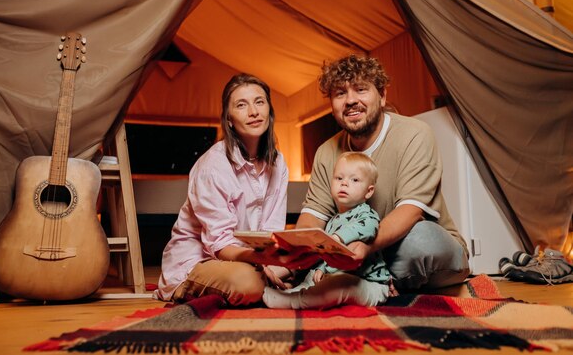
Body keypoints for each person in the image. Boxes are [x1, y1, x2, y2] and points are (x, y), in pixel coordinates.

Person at [295, 54, 470, 291]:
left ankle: (361, 283)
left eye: (360, 89)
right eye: (340, 93)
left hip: (416, 248)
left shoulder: (415, 134)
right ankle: (369, 284)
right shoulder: (326, 151)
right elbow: (313, 216)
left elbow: (410, 212)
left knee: (419, 240)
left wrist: (365, 246)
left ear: (382, 96)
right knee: (311, 249)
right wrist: (294, 253)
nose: (350, 100)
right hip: (357, 255)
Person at [155, 73, 295, 306]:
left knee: (306, 260)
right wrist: (260, 263)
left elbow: (271, 230)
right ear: (229, 119)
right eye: (242, 105)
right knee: (249, 283)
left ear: (269, 111)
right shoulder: (213, 166)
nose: (253, 111)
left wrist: (274, 259)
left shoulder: (278, 163)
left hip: (251, 259)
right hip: (201, 261)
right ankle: (266, 284)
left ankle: (269, 281)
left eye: (259, 102)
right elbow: (219, 245)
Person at [262, 152, 391, 309]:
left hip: (371, 285)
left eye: (354, 180)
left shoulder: (367, 214)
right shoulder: (333, 220)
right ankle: (293, 293)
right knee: (314, 277)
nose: (344, 183)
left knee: (339, 285)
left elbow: (368, 228)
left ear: (369, 191)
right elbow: (327, 257)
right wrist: (320, 268)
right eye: (339, 178)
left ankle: (294, 301)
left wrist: (337, 238)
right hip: (338, 274)